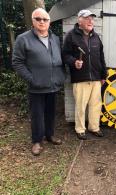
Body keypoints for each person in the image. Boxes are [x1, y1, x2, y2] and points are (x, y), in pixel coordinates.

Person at [12, 8, 65, 156]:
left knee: (50, 113)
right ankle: (36, 141)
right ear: (33, 21)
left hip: (53, 85)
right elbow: (17, 63)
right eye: (38, 19)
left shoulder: (54, 38)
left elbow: (59, 59)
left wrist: (61, 75)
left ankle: (49, 135)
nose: (42, 22)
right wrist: (31, 79)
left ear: (49, 22)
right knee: (37, 115)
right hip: (36, 86)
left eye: (45, 19)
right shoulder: (23, 39)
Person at [62, 10, 107, 140]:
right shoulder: (71, 36)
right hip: (80, 78)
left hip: (96, 78)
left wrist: (103, 75)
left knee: (96, 104)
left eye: (92, 19)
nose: (91, 21)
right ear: (79, 20)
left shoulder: (96, 37)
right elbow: (64, 55)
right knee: (81, 105)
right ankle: (80, 129)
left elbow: (101, 57)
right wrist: (74, 62)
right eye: (87, 18)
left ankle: (94, 127)